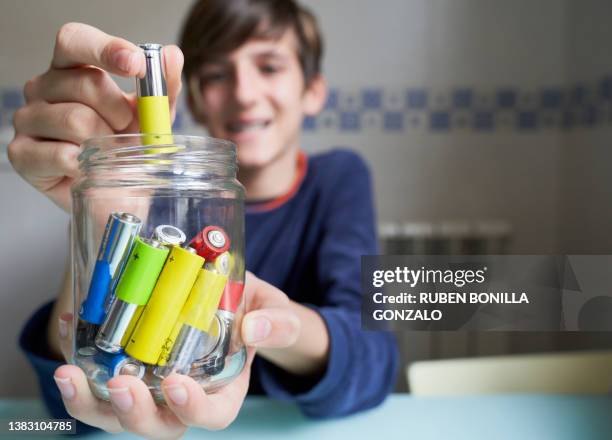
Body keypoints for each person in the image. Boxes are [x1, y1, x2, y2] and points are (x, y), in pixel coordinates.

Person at [9, 0, 399, 436]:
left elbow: (372, 357)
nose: (244, 93)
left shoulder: (337, 179)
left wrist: (274, 326)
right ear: (193, 95)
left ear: (313, 90)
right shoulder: (148, 197)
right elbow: (66, 412)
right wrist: (108, 212)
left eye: (269, 67)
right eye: (216, 74)